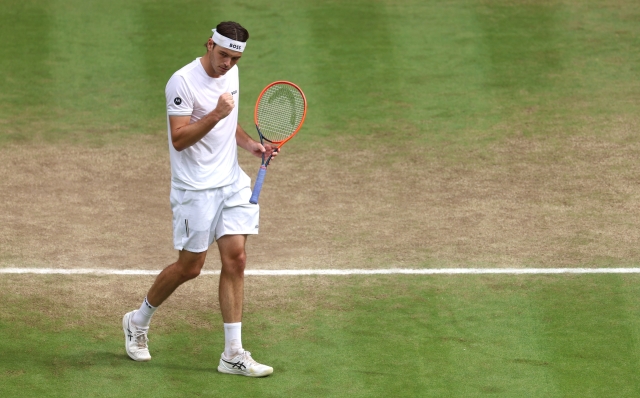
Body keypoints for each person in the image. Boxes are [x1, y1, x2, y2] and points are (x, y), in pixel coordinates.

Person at [122, 21, 277, 377]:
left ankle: (233, 354)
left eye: (235, 59)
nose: (228, 64)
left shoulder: (232, 75)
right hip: (194, 189)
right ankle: (137, 321)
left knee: (236, 259)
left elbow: (229, 121)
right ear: (209, 45)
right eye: (223, 55)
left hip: (230, 182)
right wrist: (216, 114)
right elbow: (179, 139)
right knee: (190, 267)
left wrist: (251, 144)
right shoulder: (182, 82)